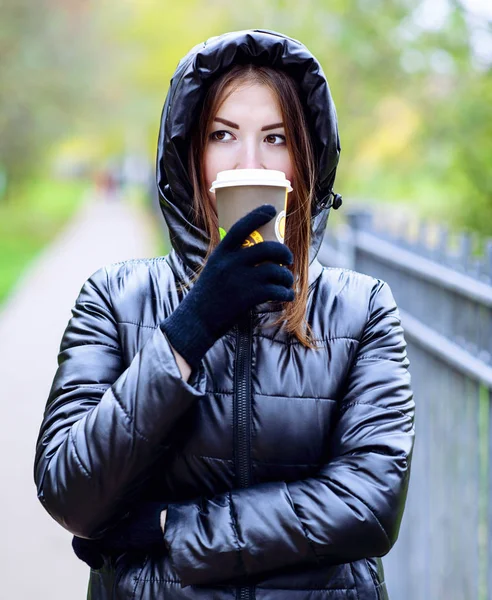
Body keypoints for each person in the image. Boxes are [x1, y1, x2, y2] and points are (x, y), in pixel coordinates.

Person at [34, 29, 415, 600]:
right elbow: (69, 490)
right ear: (190, 153)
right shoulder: (115, 299)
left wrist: (171, 527)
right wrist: (190, 330)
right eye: (222, 135)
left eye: (276, 138)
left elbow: (369, 505)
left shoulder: (361, 309)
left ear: (306, 162)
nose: (250, 162)